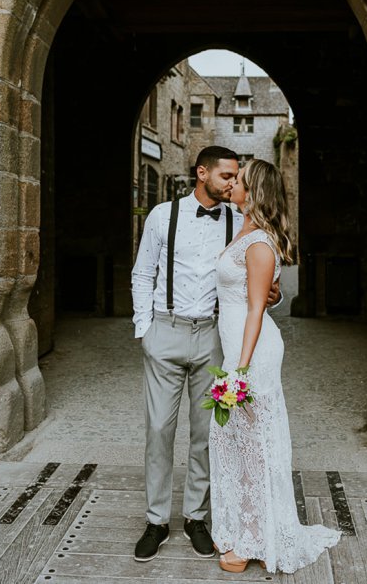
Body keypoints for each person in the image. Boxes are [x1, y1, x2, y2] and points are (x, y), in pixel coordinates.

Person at [131, 145, 273, 562]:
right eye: (227, 176)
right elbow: (143, 272)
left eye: (237, 177)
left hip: (213, 336)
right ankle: (156, 520)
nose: (234, 183)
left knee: (206, 433)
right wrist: (146, 330)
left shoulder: (238, 221)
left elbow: (257, 277)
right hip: (167, 330)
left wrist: (272, 298)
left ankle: (196, 516)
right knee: (158, 430)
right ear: (202, 173)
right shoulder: (162, 216)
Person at [209, 158, 341, 574]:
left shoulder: (260, 242)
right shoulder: (243, 231)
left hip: (253, 353)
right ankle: (244, 528)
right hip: (238, 347)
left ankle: (253, 540)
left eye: (239, 181)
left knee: (254, 444)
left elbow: (254, 310)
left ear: (255, 192)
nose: (231, 184)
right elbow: (260, 293)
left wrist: (239, 371)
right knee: (237, 443)